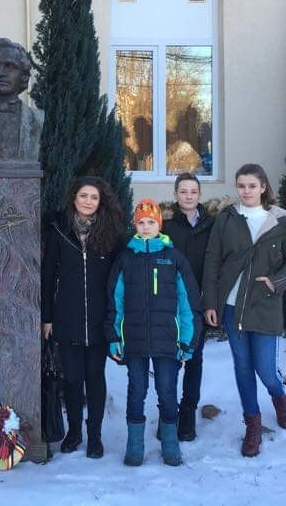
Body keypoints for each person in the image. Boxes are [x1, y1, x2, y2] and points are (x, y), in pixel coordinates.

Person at [202, 164, 286, 458]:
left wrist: (276, 281)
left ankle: (278, 397)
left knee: (266, 370)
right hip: (231, 306)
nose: (246, 191)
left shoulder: (281, 221)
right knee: (243, 366)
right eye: (241, 186)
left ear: (263, 187)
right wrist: (211, 302)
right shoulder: (227, 218)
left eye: (251, 186)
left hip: (264, 305)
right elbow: (212, 259)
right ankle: (253, 424)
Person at [106, 199, 201, 467]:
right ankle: (134, 445)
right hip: (134, 339)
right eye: (141, 222)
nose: (146, 227)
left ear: (159, 224)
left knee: (167, 389)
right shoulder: (126, 258)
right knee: (137, 390)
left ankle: (170, 443)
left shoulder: (173, 258)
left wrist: (187, 340)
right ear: (134, 225)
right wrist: (114, 337)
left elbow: (187, 303)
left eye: (151, 222)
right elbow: (115, 301)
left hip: (167, 340)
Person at [40, 176, 125, 458]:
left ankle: (95, 436)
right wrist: (47, 317)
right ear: (74, 198)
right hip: (67, 318)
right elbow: (48, 276)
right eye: (83, 196)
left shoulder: (111, 233)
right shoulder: (59, 231)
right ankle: (74, 432)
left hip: (100, 319)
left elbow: (119, 280)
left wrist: (117, 319)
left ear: (101, 202)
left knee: (95, 378)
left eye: (94, 197)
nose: (88, 201)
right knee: (73, 379)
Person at [161, 172, 216, 441]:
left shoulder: (211, 225)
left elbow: (216, 264)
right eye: (183, 191)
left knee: (194, 359)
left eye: (193, 191)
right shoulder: (166, 225)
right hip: (170, 305)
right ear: (175, 194)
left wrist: (210, 301)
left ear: (200, 195)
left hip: (198, 305)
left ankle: (188, 415)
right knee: (170, 363)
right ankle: (167, 415)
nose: (188, 196)